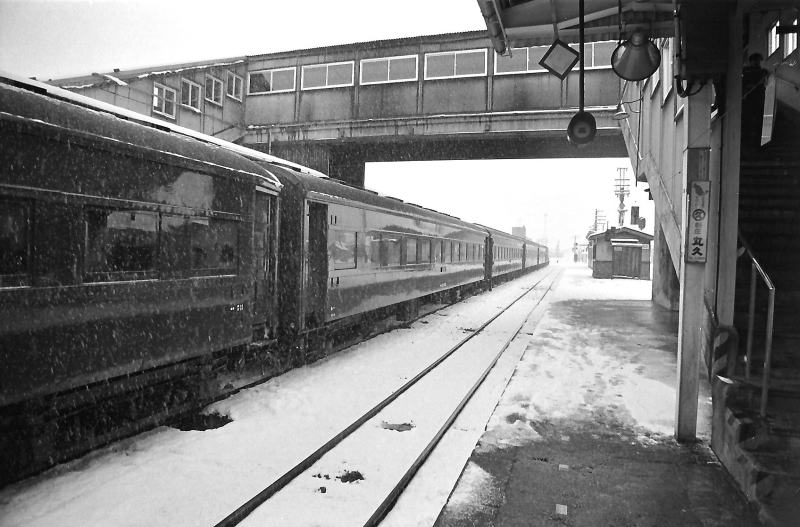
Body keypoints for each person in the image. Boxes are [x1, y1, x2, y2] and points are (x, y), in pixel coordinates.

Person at [741, 52, 769, 148]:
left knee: (758, 120)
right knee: (747, 120)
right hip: (748, 98)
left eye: (758, 61)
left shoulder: (763, 72)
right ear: (751, 61)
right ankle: (745, 140)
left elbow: (765, 83)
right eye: (755, 61)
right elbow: (742, 83)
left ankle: (758, 141)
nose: (757, 63)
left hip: (759, 98)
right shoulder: (745, 71)